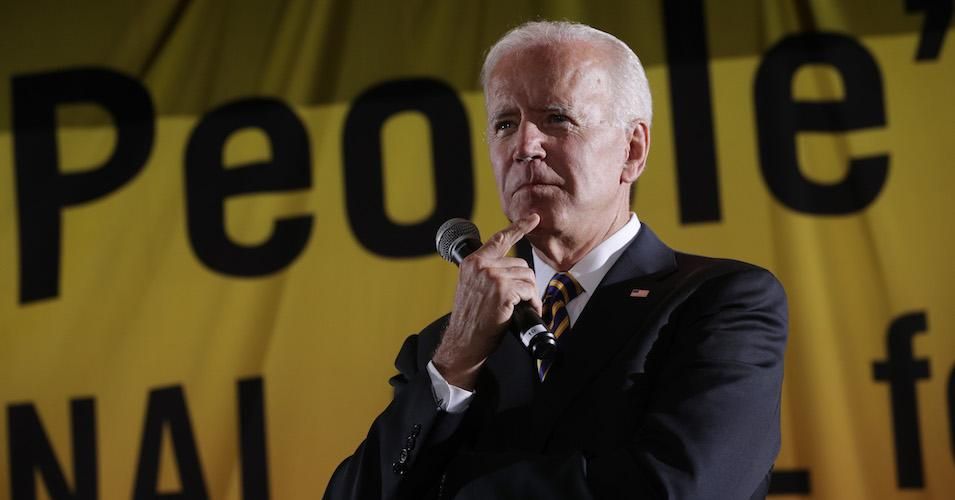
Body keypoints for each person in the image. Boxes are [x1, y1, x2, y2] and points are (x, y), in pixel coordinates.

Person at [324, 20, 787, 500]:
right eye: (505, 123)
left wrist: (447, 487)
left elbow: (677, 489)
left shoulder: (720, 302)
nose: (524, 146)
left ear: (632, 149)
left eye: (556, 118)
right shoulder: (442, 348)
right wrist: (457, 360)